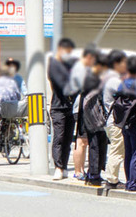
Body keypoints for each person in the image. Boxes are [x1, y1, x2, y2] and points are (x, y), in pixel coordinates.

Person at [48, 38, 77, 181]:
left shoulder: (70, 65)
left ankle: (64, 166)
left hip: (70, 107)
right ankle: (58, 167)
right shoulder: (54, 64)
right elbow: (62, 85)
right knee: (59, 138)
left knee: (67, 138)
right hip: (58, 107)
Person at [82, 53, 110, 187]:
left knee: (98, 145)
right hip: (94, 118)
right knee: (96, 146)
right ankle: (94, 175)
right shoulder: (93, 79)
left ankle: (93, 173)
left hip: (92, 118)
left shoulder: (90, 78)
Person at [72, 46, 98, 181]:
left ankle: (80, 170)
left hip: (83, 108)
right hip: (83, 109)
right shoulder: (84, 71)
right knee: (82, 141)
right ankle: (78, 171)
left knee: (83, 141)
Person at [119, 56, 136, 192]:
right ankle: (134, 183)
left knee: (128, 152)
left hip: (124, 120)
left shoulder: (122, 83)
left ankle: (129, 180)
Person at [103, 49, 128, 190]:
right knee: (116, 150)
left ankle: (113, 178)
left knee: (117, 149)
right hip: (115, 122)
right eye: (124, 62)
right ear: (116, 63)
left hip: (113, 121)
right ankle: (112, 180)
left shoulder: (111, 78)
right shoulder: (114, 80)